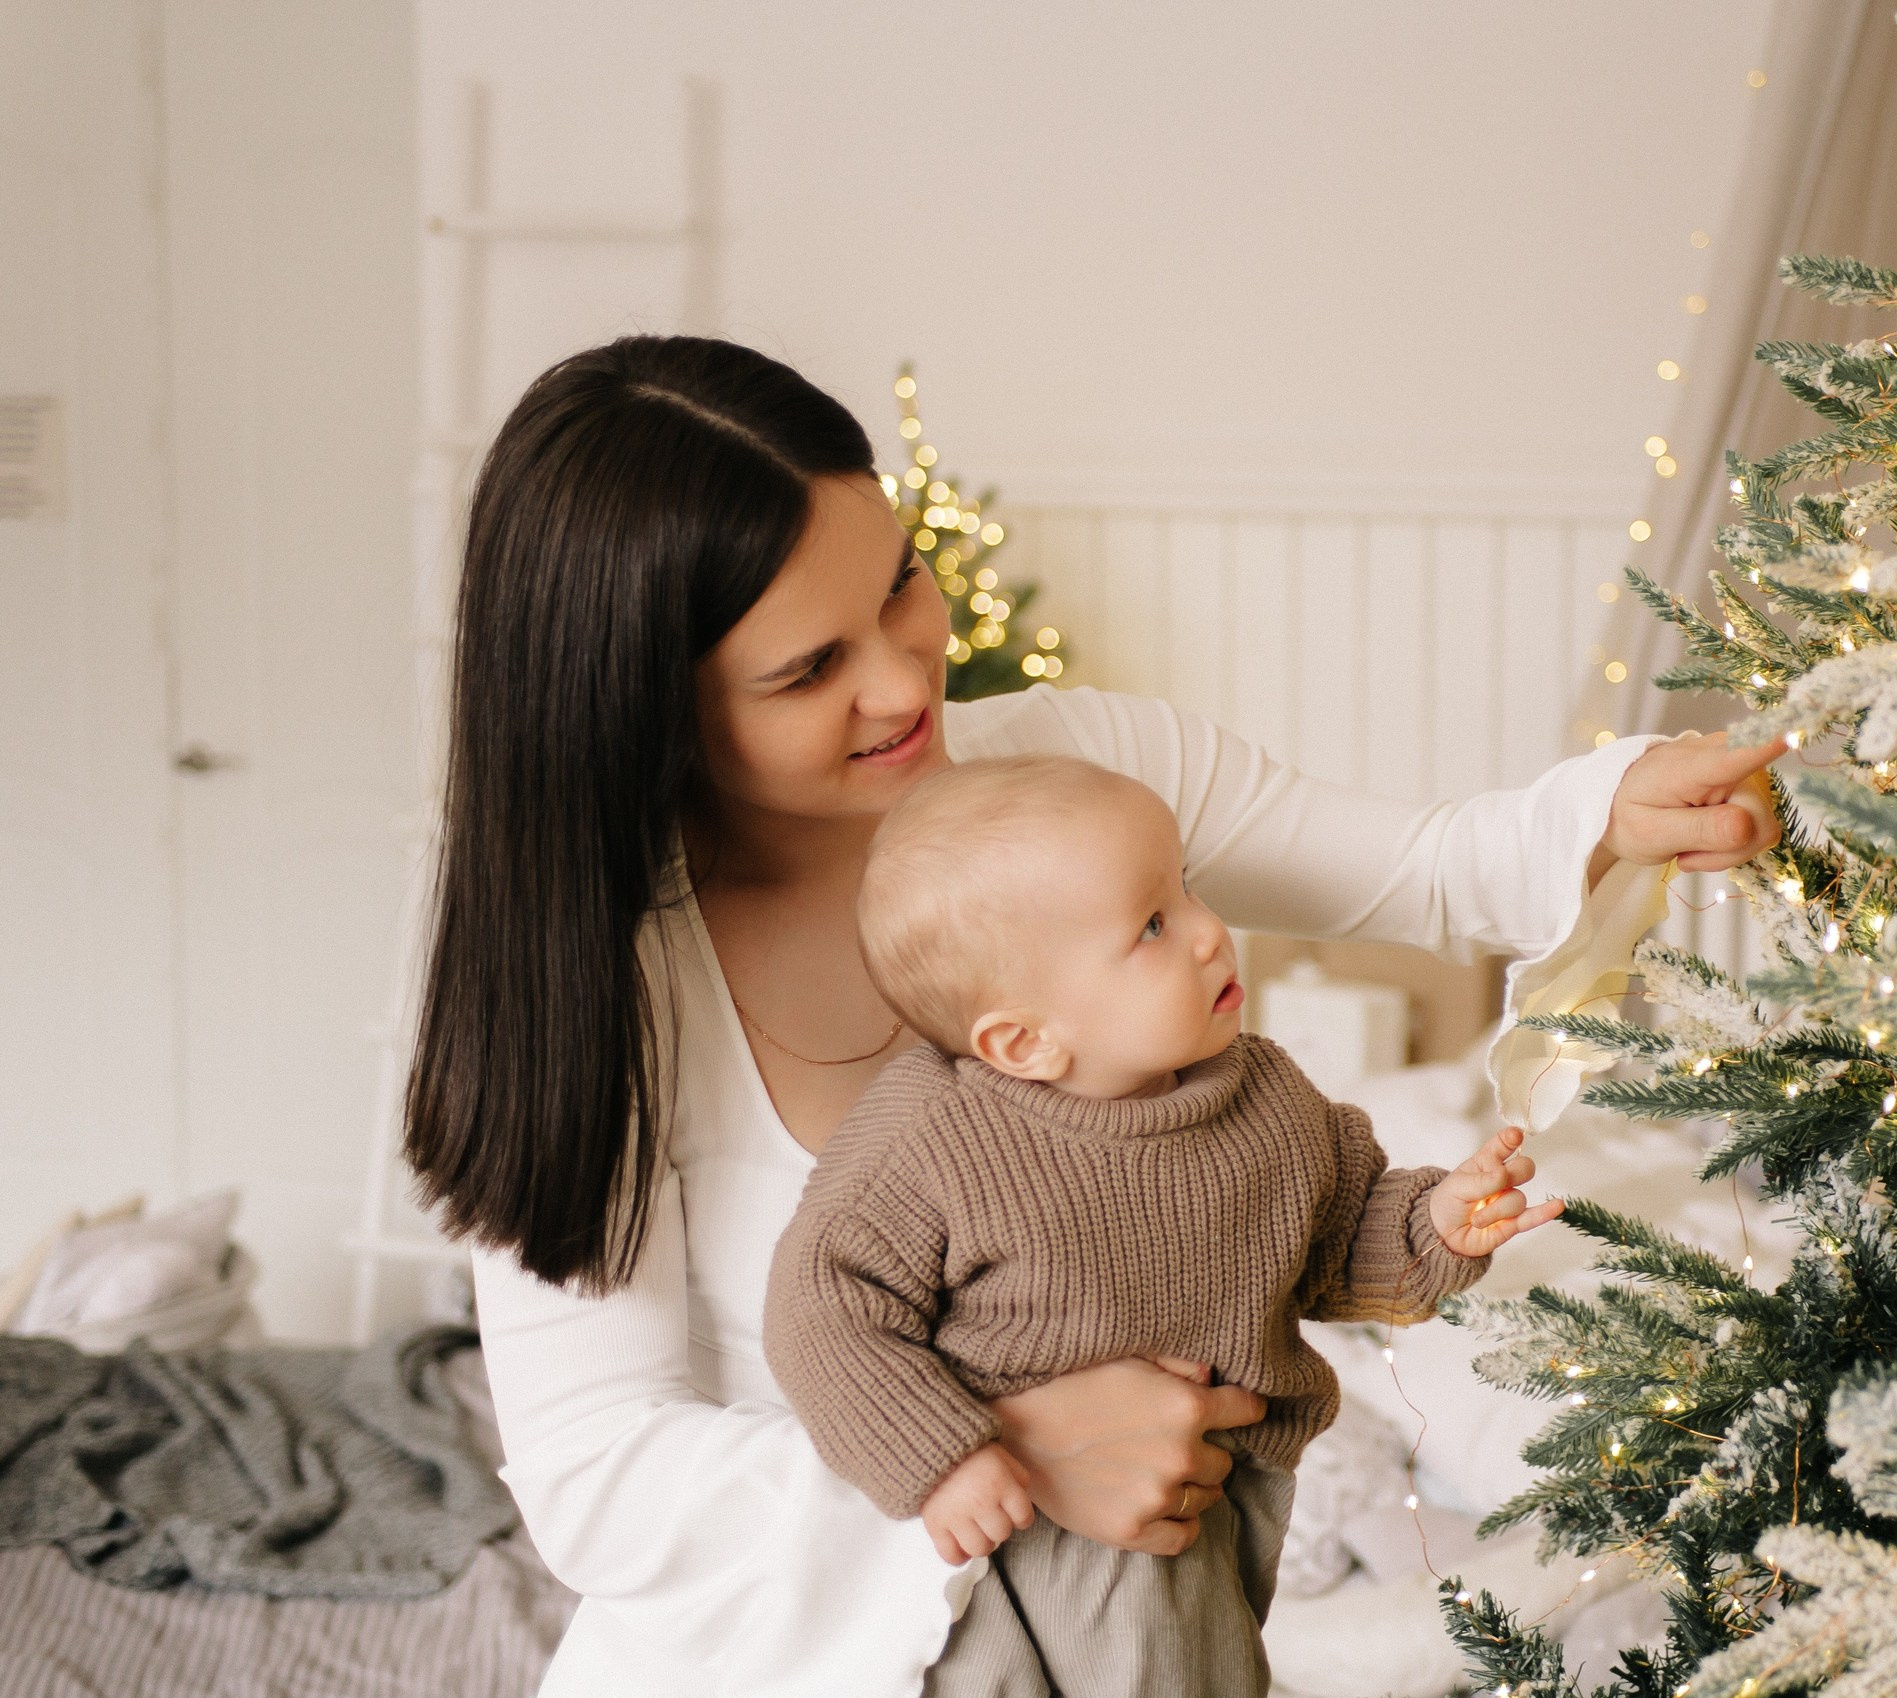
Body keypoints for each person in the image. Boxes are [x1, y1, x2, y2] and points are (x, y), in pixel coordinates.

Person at [403, 334, 1782, 1698]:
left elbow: (1425, 865)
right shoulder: (593, 977)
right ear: (649, 709)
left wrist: (1610, 807)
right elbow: (599, 1472)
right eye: (811, 669)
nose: (906, 681)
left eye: (902, 583)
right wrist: (1003, 1447)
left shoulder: (1072, 769)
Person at [767, 755, 1565, 1695]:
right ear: (1025, 1041)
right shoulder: (934, 1134)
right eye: (1151, 925)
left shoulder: (1264, 1096)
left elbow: (1337, 1241)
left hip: (1199, 1503)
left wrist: (1434, 1222)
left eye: (1185, 889)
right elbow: (824, 1301)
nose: (1208, 932)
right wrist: (942, 1458)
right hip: (1014, 1520)